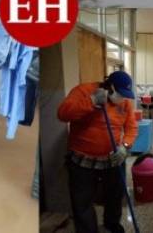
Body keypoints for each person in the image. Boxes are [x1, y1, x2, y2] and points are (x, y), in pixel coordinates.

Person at [57, 71, 138, 233]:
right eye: (120, 94)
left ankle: (112, 224)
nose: (122, 98)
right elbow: (63, 114)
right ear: (110, 87)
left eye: (125, 95)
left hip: (113, 158)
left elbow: (131, 127)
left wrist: (126, 146)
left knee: (115, 196)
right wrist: (91, 101)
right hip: (82, 160)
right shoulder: (83, 91)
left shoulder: (124, 103)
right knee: (82, 201)